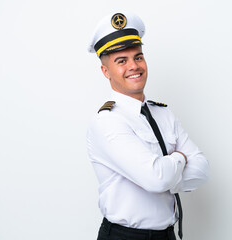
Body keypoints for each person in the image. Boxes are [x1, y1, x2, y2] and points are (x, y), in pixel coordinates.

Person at [86, 12, 209, 240]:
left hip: (167, 235)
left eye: (138, 57)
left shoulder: (163, 113)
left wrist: (163, 175)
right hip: (125, 237)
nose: (134, 66)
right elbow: (156, 179)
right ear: (106, 71)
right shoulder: (107, 122)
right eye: (121, 61)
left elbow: (202, 169)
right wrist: (180, 159)